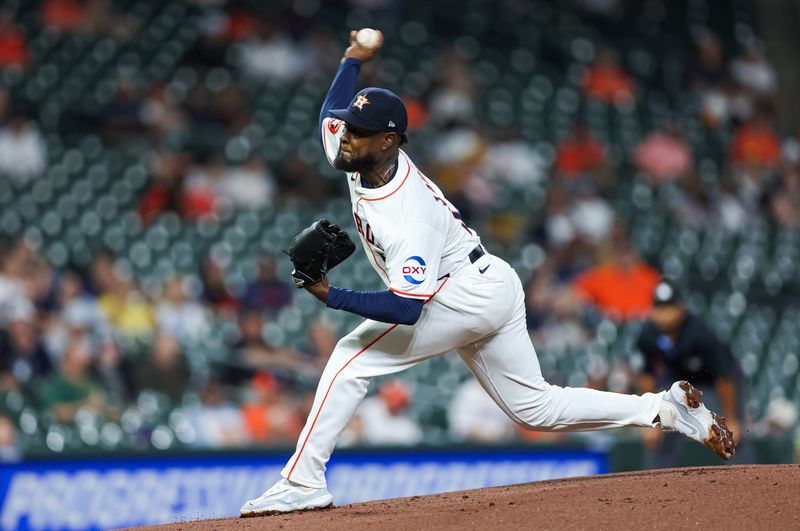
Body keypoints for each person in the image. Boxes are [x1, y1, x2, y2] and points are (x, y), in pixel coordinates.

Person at [239, 30, 736, 518]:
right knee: (535, 409)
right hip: (487, 280)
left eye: (357, 131)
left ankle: (301, 482)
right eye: (348, 128)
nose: (345, 135)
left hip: (462, 293)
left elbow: (407, 309)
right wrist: (352, 58)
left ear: (389, 140)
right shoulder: (353, 148)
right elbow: (331, 113)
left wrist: (331, 294)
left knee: (350, 358)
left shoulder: (408, 217)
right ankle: (666, 410)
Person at [636, 278, 744, 468]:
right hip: (677, 383)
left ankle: (747, 478)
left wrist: (732, 418)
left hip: (713, 384)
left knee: (729, 435)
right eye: (660, 308)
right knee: (662, 425)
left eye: (669, 307)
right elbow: (648, 376)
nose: (664, 315)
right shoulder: (648, 333)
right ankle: (654, 484)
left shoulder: (700, 332)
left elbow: (724, 377)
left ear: (681, 307)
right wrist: (650, 421)